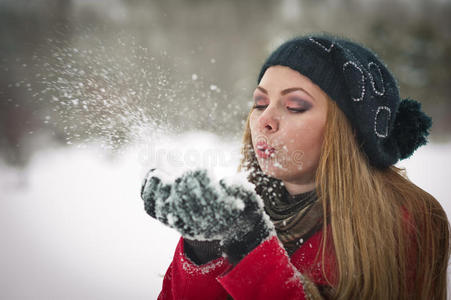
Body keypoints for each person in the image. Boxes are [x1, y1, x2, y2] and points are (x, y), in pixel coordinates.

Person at [140, 33, 450, 299]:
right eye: (260, 103)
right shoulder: (247, 211)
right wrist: (203, 250)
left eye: (295, 106)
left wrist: (252, 251)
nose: (264, 120)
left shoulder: (406, 219)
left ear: (350, 130)